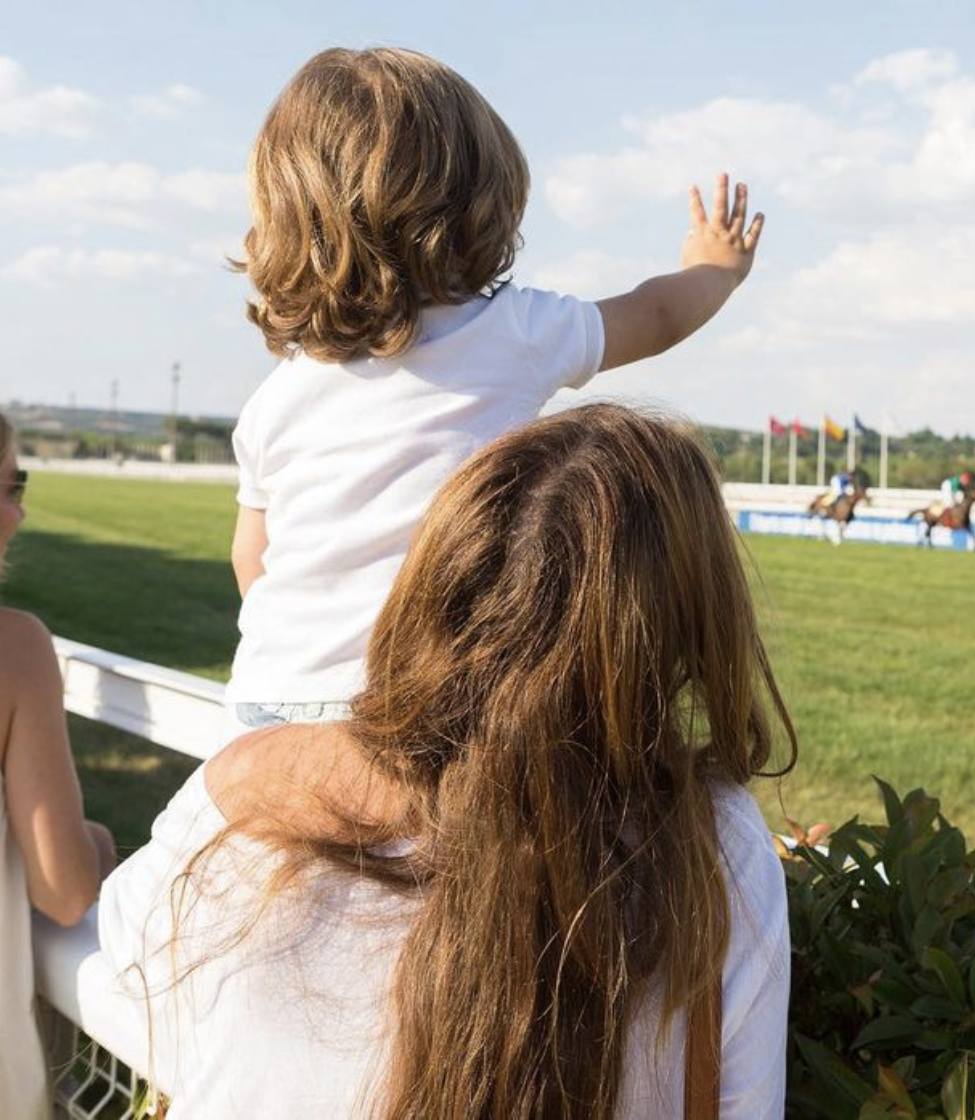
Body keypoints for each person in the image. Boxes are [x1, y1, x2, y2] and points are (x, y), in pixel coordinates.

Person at [100, 404, 796, 1118]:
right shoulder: (716, 842)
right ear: (685, 628)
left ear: (432, 578)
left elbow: (127, 962)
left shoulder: (257, 786)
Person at [224, 47, 763, 742]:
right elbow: (654, 317)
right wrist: (716, 270)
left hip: (266, 703)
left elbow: (253, 558)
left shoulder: (280, 393)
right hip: (427, 706)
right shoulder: (514, 330)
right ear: (484, 197)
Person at [0, 410, 117, 1120]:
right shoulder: (15, 651)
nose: (15, 513)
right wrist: (99, 845)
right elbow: (65, 891)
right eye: (10, 486)